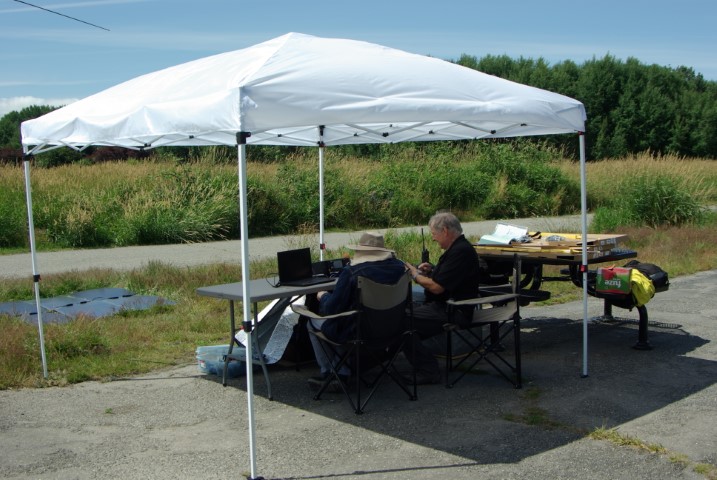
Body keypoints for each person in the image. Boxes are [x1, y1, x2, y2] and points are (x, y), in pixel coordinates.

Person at [306, 231, 406, 392]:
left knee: (314, 322)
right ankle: (342, 372)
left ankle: (331, 374)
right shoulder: (400, 268)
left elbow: (332, 308)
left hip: (359, 333)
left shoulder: (352, 272)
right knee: (346, 319)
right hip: (394, 329)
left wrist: (323, 296)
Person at [402, 211, 482, 384]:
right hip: (446, 306)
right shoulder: (458, 249)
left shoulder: (461, 251)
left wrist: (414, 274)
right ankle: (420, 364)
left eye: (434, 234)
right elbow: (449, 277)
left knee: (401, 321)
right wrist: (432, 270)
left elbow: (437, 288)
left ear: (445, 231)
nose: (433, 238)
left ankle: (428, 370)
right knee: (403, 316)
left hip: (454, 310)